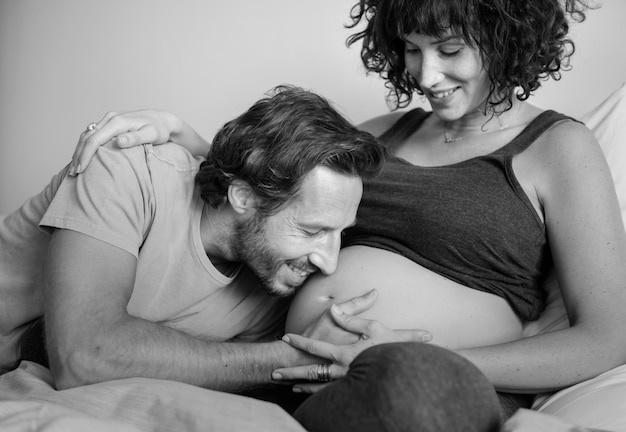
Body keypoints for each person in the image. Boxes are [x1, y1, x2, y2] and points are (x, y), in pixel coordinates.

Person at [66, 0, 626, 429]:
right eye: (411, 49)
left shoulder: (560, 148)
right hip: (292, 375)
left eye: (449, 49)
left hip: (429, 381)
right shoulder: (381, 133)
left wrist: (411, 355)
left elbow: (608, 335)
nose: (426, 75)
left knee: (410, 394)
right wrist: (185, 137)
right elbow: (279, 199)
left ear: (507, 36)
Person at [0, 85, 397, 390]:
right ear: (242, 196)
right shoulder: (125, 169)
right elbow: (84, 357)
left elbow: (206, 374)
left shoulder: (271, 283)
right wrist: (292, 357)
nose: (328, 262)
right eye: (312, 231)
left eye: (339, 234)